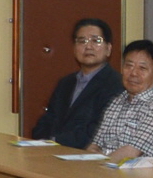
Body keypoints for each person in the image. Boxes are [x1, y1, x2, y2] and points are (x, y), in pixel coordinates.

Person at [86, 39, 153, 163]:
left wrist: (97, 166)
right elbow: (96, 145)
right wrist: (89, 161)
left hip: (134, 173)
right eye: (129, 66)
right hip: (104, 169)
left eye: (142, 68)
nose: (133, 73)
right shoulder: (118, 101)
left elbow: (131, 154)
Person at [30, 17, 121, 148]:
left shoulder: (116, 84)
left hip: (85, 156)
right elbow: (45, 122)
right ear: (74, 48)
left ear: (108, 49)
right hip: (51, 153)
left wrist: (54, 141)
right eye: (82, 41)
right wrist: (45, 140)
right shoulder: (65, 83)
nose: (88, 46)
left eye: (96, 41)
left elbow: (98, 131)